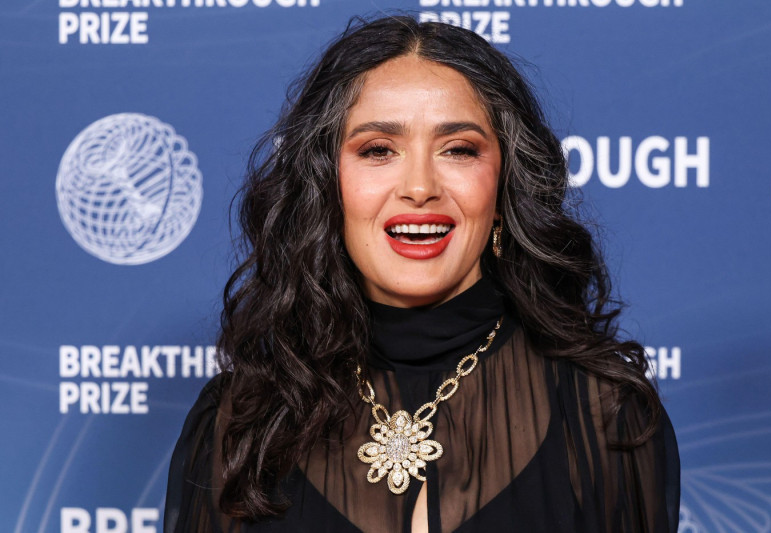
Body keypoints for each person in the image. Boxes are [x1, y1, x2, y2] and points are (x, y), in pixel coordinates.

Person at [164, 15, 680, 533]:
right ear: (327, 186)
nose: (419, 186)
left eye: (458, 149)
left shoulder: (604, 415)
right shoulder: (241, 423)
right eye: (378, 150)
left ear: (503, 189)